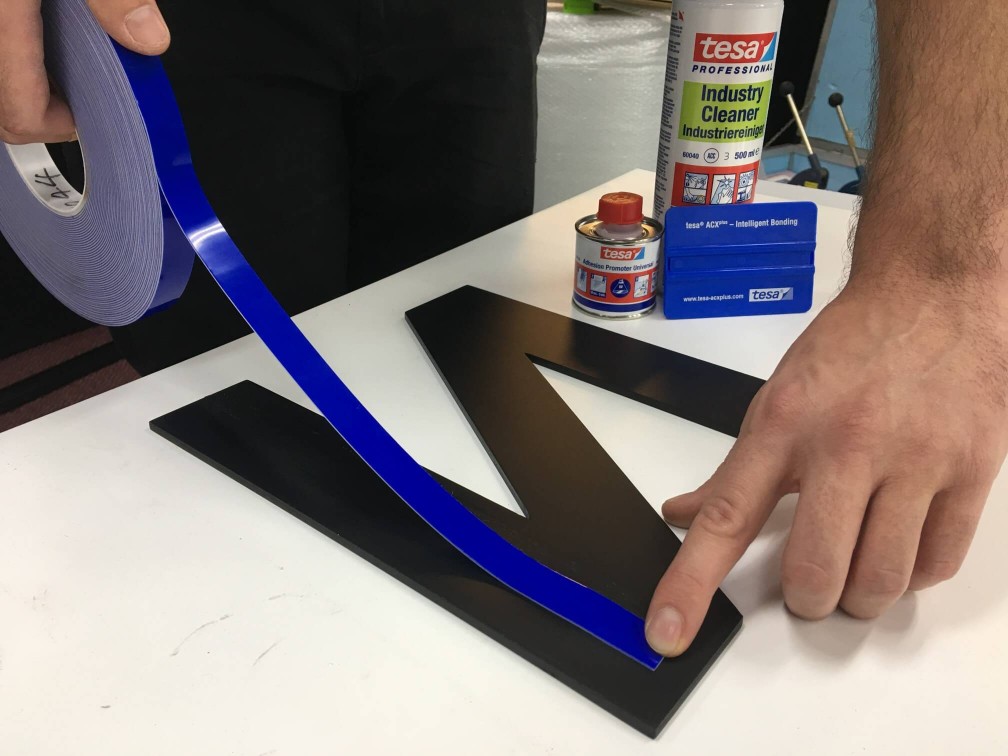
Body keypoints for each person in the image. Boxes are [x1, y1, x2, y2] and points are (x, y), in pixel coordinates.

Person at [2, 0, 1006, 660]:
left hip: (461, 19)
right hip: (189, 27)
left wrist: (942, 280)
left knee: (444, 339)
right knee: (222, 433)